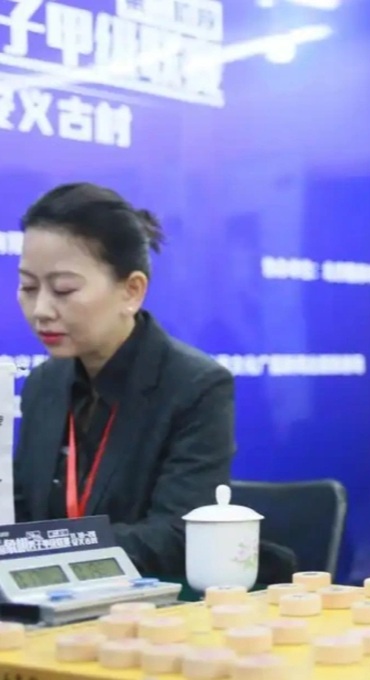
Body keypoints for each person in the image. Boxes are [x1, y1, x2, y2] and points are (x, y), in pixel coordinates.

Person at [13, 183, 236, 579]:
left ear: (132, 291)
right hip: (47, 600)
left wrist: (53, 547)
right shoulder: (43, 384)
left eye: (63, 289)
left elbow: (177, 536)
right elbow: (22, 512)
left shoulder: (196, 386)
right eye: (29, 287)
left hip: (148, 606)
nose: (41, 309)